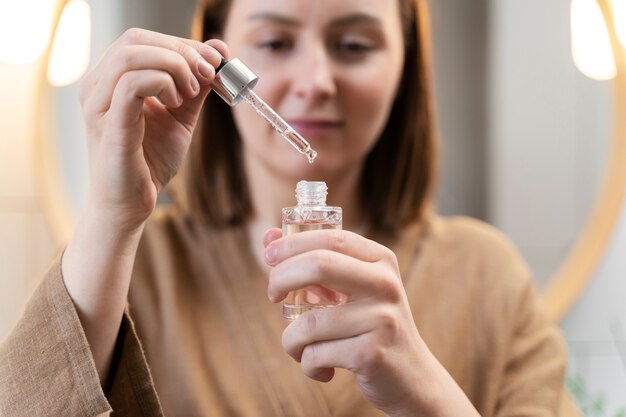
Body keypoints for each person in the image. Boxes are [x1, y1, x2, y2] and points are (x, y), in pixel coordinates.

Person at [0, 0, 571, 415]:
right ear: (217, 59)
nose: (317, 81)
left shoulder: (487, 275)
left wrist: (427, 392)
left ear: (406, 62)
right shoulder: (134, 269)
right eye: (274, 42)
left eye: (354, 45)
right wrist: (111, 214)